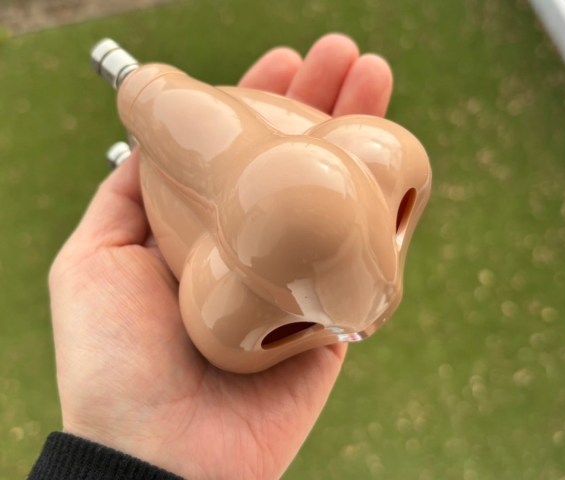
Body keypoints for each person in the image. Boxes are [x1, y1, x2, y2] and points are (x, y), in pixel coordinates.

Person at [29, 33, 394, 480]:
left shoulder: (230, 314)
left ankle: (129, 121)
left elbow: (228, 338)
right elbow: (223, 335)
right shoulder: (225, 302)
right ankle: (131, 119)